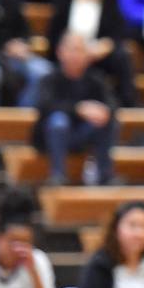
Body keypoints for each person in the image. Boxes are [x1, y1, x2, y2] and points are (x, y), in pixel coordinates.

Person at [47, 0, 136, 106]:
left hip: (98, 56)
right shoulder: (64, 6)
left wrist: (103, 47)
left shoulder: (110, 8)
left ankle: (128, 103)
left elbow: (118, 36)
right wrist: (73, 51)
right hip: (68, 56)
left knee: (122, 56)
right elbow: (53, 37)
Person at [33, 33, 118, 186]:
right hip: (52, 137)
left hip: (83, 135)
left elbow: (112, 105)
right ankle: (58, 175)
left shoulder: (96, 79)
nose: (75, 55)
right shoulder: (50, 79)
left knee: (106, 119)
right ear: (60, 52)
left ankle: (105, 174)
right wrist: (78, 109)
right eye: (72, 50)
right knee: (58, 121)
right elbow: (45, 107)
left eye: (80, 50)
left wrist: (103, 111)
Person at [0, 0, 53, 107]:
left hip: (13, 56)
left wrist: (22, 45)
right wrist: (4, 48)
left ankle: (21, 120)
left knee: (43, 72)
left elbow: (25, 32)